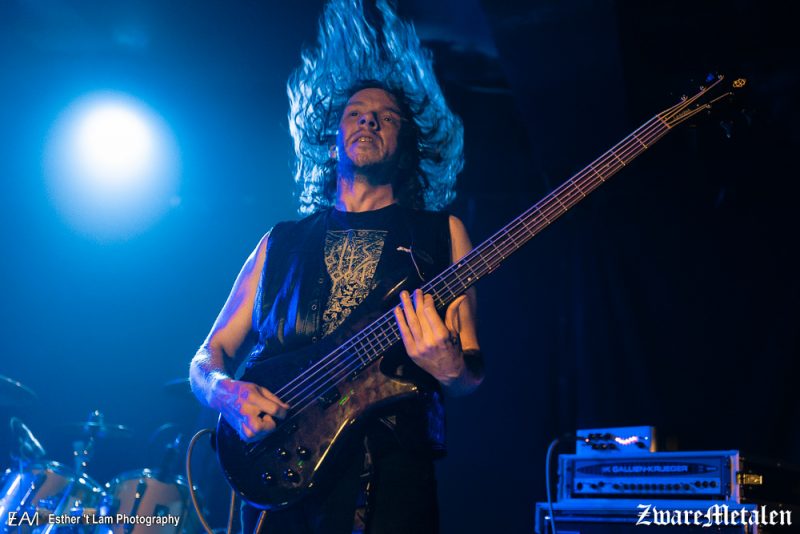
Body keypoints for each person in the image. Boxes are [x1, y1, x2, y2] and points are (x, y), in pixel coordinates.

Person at [189, 1, 484, 532]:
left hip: (392, 478)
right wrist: (224, 392)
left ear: (404, 146)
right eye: (356, 113)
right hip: (278, 477)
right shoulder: (278, 242)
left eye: (387, 117)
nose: (370, 118)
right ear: (332, 146)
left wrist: (449, 368)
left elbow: (467, 374)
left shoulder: (442, 234)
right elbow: (207, 356)